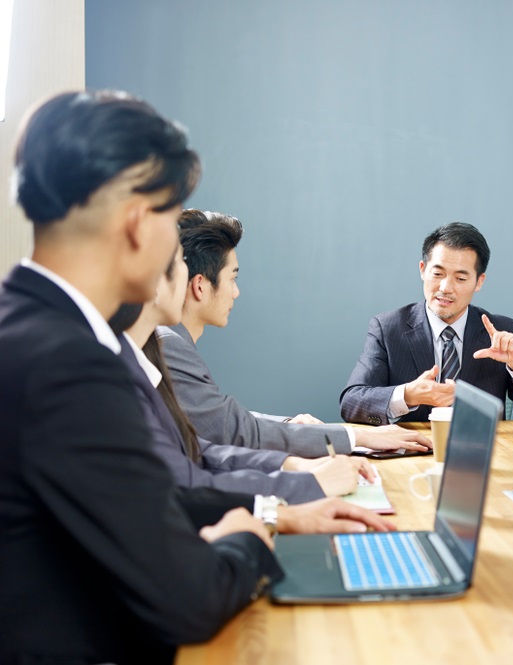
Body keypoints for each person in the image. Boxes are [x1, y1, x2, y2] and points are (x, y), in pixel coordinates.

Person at [0, 90, 279, 664]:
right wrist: (248, 540)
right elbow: (190, 598)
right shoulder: (71, 368)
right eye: (170, 219)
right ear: (136, 223)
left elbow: (133, 502)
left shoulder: (25, 327)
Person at [111, 245, 374, 503]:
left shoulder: (142, 353)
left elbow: (194, 447)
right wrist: (306, 482)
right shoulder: (162, 346)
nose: (187, 276)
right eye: (179, 262)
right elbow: (218, 441)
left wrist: (289, 464)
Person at [159, 209, 431, 457]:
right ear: (200, 286)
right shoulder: (170, 346)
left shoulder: (171, 342)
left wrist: (288, 424)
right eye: (233, 278)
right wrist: (361, 435)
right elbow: (233, 430)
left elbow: (222, 419)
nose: (236, 292)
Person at [339, 222, 513, 424]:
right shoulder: (388, 328)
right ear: (423, 270)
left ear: (479, 282)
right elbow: (351, 403)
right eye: (438, 273)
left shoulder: (503, 331)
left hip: (483, 455)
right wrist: (408, 395)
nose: (445, 287)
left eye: (461, 278)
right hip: (409, 456)